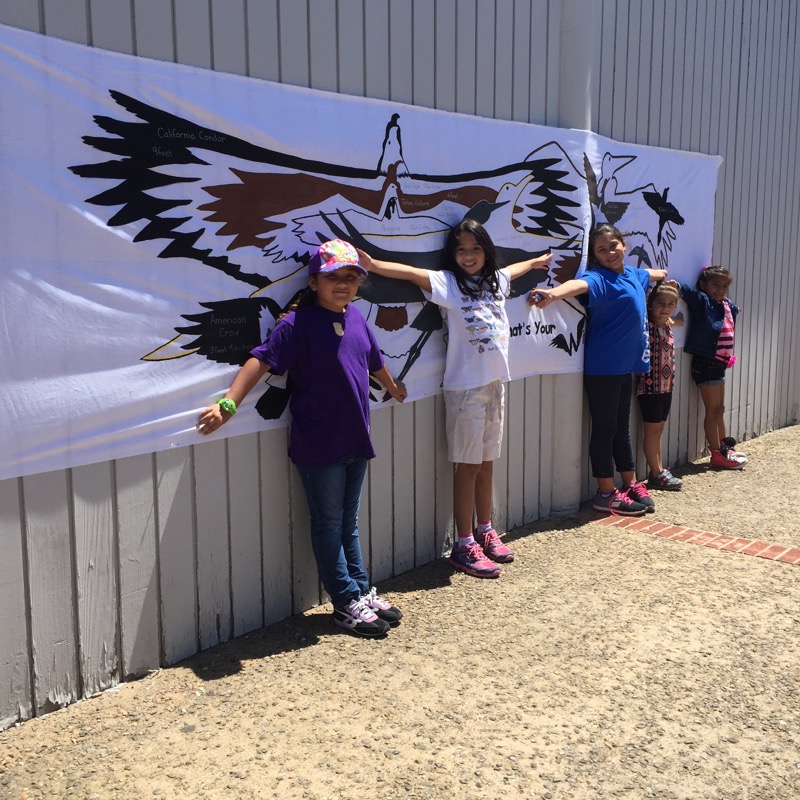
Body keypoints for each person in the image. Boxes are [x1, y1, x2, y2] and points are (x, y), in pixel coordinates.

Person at [197, 239, 407, 638]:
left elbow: (375, 362)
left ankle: (361, 590)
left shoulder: (357, 318)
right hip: (319, 445)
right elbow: (260, 360)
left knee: (349, 522)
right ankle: (345, 602)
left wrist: (393, 388)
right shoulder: (296, 325)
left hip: (356, 439)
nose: (343, 285)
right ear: (314, 282)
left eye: (351, 277)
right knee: (329, 524)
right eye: (333, 277)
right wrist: (228, 404)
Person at [357, 217, 553, 578]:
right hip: (465, 389)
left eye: (475, 248)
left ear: (486, 250)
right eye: (461, 249)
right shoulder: (448, 284)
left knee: (488, 461)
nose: (468, 255)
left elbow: (514, 268)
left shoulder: (496, 281)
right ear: (452, 254)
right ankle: (463, 543)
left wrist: (538, 262)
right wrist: (373, 265)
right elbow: (412, 274)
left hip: (496, 384)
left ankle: (485, 529)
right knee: (468, 466)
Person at [529, 223, 667, 516]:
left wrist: (666, 279)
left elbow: (656, 274)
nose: (609, 252)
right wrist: (553, 295)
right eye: (602, 250)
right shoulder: (599, 278)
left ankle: (629, 483)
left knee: (622, 429)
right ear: (595, 256)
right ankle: (605, 492)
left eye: (613, 245)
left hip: (625, 367)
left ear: (624, 246)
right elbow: (579, 286)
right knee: (605, 429)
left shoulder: (635, 276)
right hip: (603, 368)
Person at [678, 265, 746, 469]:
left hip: (720, 363)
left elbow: (730, 310)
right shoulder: (704, 301)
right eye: (715, 284)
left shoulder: (725, 304)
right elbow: (688, 293)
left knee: (720, 408)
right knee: (712, 410)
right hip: (707, 362)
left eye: (724, 286)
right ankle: (716, 454)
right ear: (703, 285)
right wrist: (675, 285)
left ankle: (725, 446)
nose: (720, 289)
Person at [636, 280, 684, 490]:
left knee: (659, 429)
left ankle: (659, 469)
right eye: (660, 303)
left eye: (670, 304)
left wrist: (675, 288)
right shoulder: (648, 324)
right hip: (651, 386)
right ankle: (655, 473)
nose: (665, 308)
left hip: (666, 385)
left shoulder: (668, 325)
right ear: (651, 304)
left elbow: (675, 318)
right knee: (652, 430)